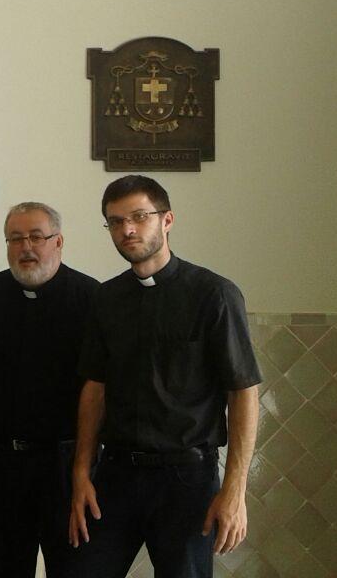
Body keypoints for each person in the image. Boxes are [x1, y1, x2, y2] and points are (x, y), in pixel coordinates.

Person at [68, 176, 261, 578]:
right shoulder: (106, 299)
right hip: (115, 476)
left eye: (139, 217)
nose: (128, 229)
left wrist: (235, 491)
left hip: (186, 480)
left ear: (167, 220)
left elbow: (242, 392)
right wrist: (81, 471)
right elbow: (95, 389)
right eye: (116, 222)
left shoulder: (214, 295)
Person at [0, 202, 98, 578]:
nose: (26, 247)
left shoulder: (91, 299)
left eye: (37, 237)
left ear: (59, 242)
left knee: (74, 568)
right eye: (16, 238)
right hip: (1, 463)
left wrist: (86, 470)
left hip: (67, 464)